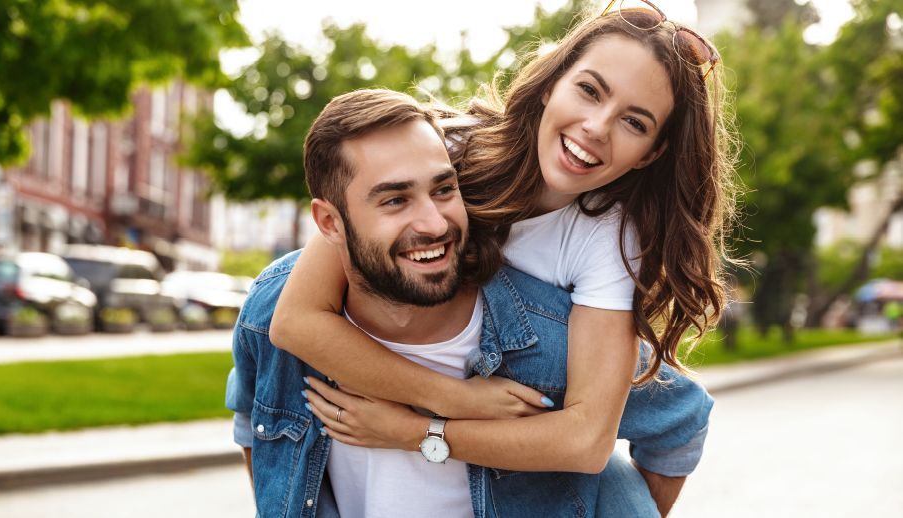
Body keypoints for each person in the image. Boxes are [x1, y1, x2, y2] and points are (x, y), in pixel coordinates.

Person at [269, 3, 734, 513]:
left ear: (650, 153)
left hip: (556, 397)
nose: (597, 127)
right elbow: (293, 319)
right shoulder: (446, 151)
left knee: (639, 455)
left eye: (634, 122)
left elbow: (586, 441)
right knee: (273, 287)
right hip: (473, 388)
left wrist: (419, 431)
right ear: (551, 82)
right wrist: (455, 399)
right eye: (589, 90)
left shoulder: (609, 238)